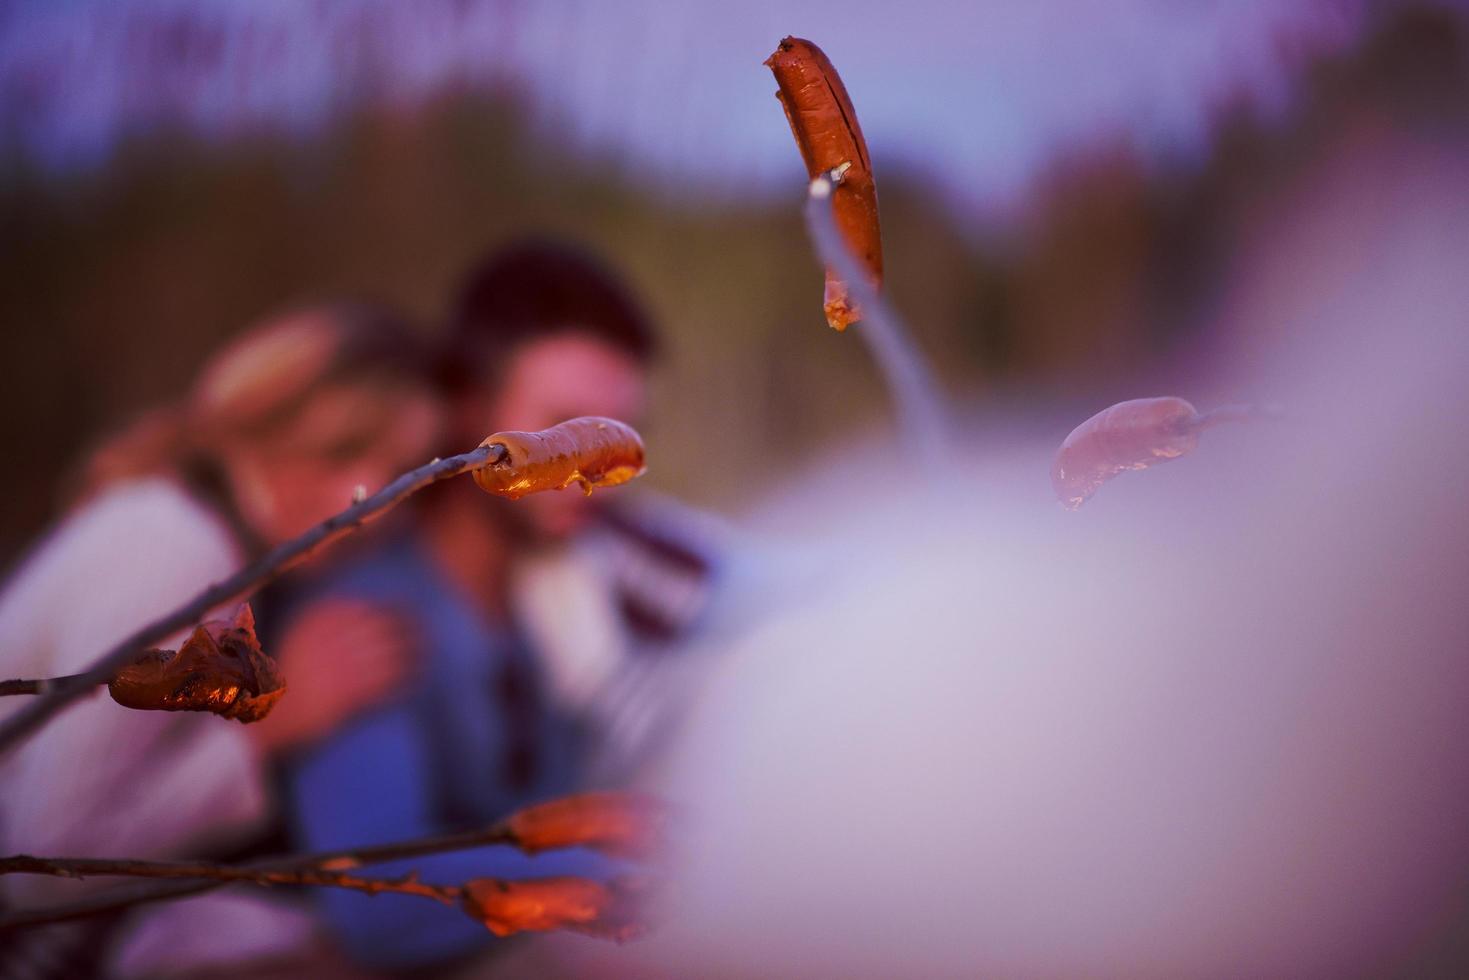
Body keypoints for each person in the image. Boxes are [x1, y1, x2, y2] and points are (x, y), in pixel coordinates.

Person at [278, 240, 723, 972]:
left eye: (618, 438)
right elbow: (375, 898)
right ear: (469, 408)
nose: (597, 471)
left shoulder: (560, 593)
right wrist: (641, 882)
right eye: (564, 424)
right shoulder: (364, 616)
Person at [0, 302, 440, 979]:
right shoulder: (173, 544)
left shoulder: (222, 549)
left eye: (402, 468)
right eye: (351, 450)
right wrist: (274, 722)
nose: (376, 502)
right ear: (278, 423)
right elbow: (43, 866)